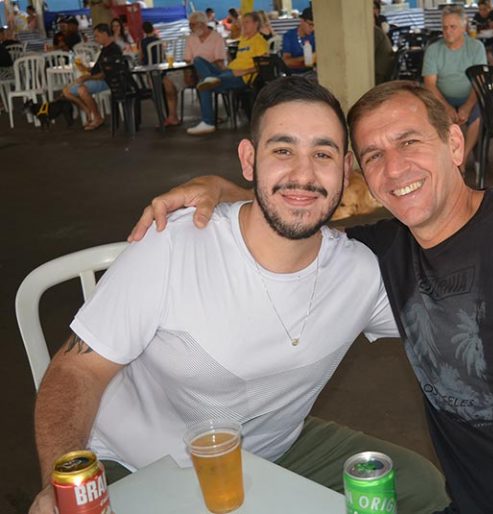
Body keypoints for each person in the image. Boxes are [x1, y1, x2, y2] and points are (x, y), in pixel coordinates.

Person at [129, 77, 493, 513]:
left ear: (454, 143)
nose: (395, 167)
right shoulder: (383, 251)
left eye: (409, 142)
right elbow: (297, 209)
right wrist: (222, 188)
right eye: (374, 156)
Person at [28, 77, 450, 514]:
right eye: (282, 150)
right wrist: (57, 483)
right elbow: (76, 370)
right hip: (138, 463)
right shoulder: (174, 245)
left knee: (422, 489)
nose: (303, 174)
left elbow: (457, 313)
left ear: (345, 169)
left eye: (322, 154)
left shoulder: (359, 272)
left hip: (276, 452)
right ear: (249, 160)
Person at [422, 5, 486, 168]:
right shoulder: (433, 50)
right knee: (436, 117)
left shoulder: (476, 47)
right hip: (442, 96)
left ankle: (461, 161)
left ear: (464, 28)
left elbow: (479, 82)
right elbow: (430, 84)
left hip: (469, 96)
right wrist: (447, 107)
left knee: (477, 116)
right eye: (444, 27)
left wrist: (467, 107)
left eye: (452, 27)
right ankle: (446, 158)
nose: (448, 31)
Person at [187, 11, 267, 135]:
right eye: (243, 23)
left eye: (247, 22)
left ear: (256, 24)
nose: (243, 25)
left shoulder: (259, 41)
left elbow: (263, 65)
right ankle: (210, 79)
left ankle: (208, 122)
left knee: (203, 85)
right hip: (229, 72)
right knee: (198, 60)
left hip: (241, 77)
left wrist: (243, 72)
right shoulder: (244, 39)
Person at [161, 10, 227, 128]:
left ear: (202, 24)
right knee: (167, 80)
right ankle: (172, 116)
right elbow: (187, 59)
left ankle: (210, 116)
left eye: (192, 24)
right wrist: (188, 73)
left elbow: (219, 61)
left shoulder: (216, 37)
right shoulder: (191, 38)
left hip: (211, 71)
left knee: (203, 77)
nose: (190, 27)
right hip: (192, 70)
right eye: (190, 24)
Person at [62, 23, 121, 131]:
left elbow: (105, 74)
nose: (96, 39)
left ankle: (97, 117)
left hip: (109, 80)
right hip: (98, 78)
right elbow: (97, 69)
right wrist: (85, 68)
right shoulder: (104, 50)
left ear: (104, 34)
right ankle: (88, 111)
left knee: (82, 89)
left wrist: (87, 78)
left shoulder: (112, 50)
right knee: (66, 91)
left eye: (97, 36)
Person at [281, 6, 315, 71]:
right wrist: (308, 59)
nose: (313, 28)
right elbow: (287, 62)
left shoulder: (315, 35)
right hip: (295, 74)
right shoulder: (289, 36)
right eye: (310, 24)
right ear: (302, 21)